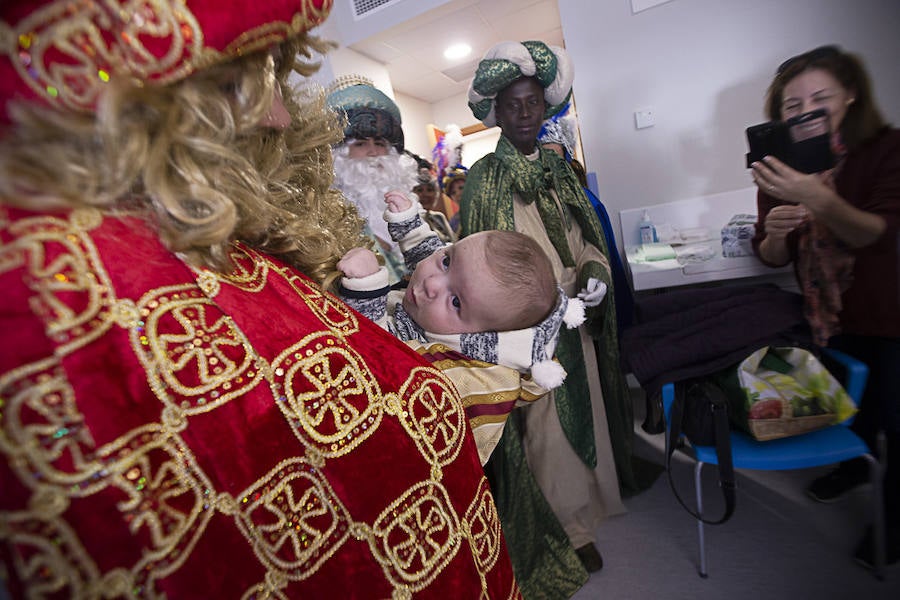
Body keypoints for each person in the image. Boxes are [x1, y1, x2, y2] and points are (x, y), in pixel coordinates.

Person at [0, 1, 519, 597]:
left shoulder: (386, 215)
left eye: (383, 143)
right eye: (360, 143)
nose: (276, 115)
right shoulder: (72, 284)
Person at [461, 40, 640, 592]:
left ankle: (594, 508)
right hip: (526, 329)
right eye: (512, 104)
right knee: (547, 432)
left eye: (533, 102)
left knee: (587, 416)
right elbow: (479, 258)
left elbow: (588, 238)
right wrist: (536, 306)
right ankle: (567, 530)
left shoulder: (563, 172)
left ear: (546, 107)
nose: (523, 113)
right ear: (497, 110)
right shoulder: (484, 177)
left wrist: (594, 272)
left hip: (577, 317)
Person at [750, 44, 900, 568]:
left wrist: (815, 198)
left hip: (888, 308)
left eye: (820, 97)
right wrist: (772, 232)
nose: (805, 111)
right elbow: (770, 256)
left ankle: (891, 525)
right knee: (852, 406)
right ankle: (856, 465)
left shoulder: (885, 149)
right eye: (792, 106)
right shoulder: (781, 167)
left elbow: (877, 233)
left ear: (851, 96)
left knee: (894, 417)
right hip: (826, 316)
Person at [337, 190, 585, 394]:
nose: (432, 284)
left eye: (456, 302)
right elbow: (430, 252)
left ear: (479, 336)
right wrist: (409, 225)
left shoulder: (440, 353)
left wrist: (367, 287)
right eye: (447, 262)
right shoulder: (442, 308)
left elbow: (373, 350)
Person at [326, 75, 416, 283]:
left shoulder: (411, 203)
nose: (373, 152)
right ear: (338, 155)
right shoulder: (329, 213)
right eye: (360, 144)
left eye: (379, 142)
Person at [409, 153, 458, 242]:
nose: (425, 194)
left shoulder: (439, 217)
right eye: (419, 190)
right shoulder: (409, 222)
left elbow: (455, 243)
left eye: (430, 190)